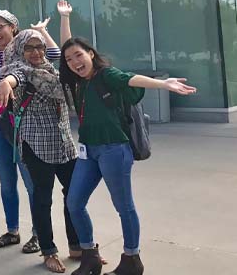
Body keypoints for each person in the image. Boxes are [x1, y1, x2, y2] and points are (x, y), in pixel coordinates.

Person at [59, 35, 197, 275]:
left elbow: (131, 79)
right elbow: (64, 45)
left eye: (79, 55)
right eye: (69, 59)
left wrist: (164, 84)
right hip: (88, 151)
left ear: (91, 53)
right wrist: (64, 19)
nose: (74, 62)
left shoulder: (106, 75)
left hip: (113, 150)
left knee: (123, 206)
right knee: (74, 202)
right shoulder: (80, 82)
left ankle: (132, 259)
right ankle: (89, 255)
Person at [0, 8, 66, 253]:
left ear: (14, 27)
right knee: (6, 181)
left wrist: (43, 31)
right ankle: (12, 230)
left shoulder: (29, 50)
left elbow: (57, 54)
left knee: (32, 181)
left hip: (26, 126)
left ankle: (38, 233)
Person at [0, 29, 78, 273]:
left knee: (74, 197)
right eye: (29, 48)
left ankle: (77, 245)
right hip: (36, 144)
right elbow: (13, 77)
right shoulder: (19, 69)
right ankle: (49, 251)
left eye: (39, 47)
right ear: (20, 49)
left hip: (64, 143)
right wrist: (5, 84)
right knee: (42, 199)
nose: (36, 52)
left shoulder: (52, 71)